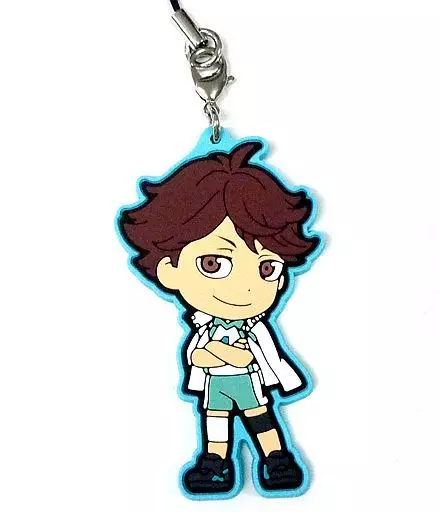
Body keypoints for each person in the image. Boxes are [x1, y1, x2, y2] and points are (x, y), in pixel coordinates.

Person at [118, 141, 320, 494]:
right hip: (217, 386)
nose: (245, 287)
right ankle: (215, 464)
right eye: (214, 264)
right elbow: (196, 357)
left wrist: (214, 353)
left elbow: (242, 357)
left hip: (247, 382)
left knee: (262, 420)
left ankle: (277, 460)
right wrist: (214, 354)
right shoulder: (202, 325)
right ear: (169, 269)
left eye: (267, 268)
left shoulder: (253, 328)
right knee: (215, 425)